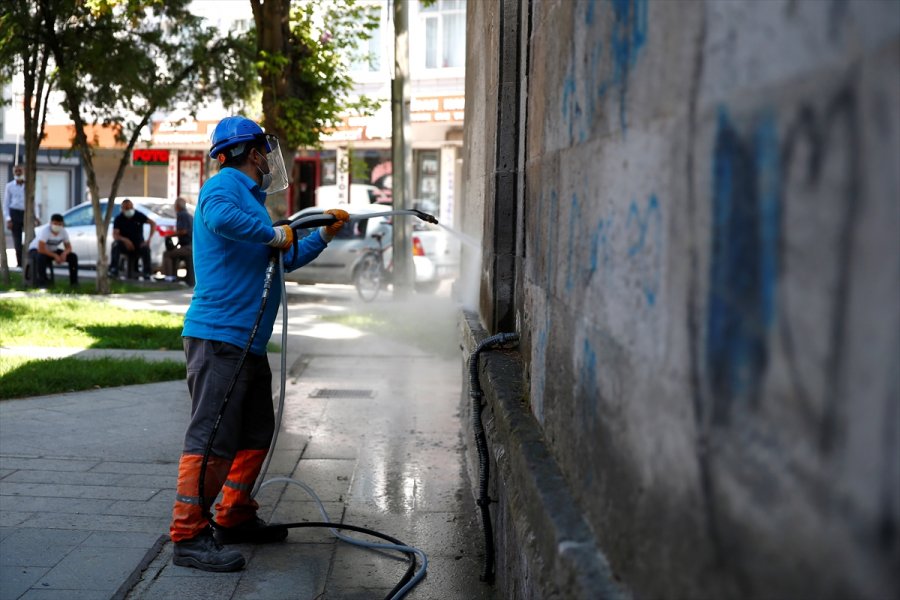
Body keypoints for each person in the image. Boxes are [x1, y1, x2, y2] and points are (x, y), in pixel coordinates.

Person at [169, 115, 349, 573]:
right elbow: (219, 218)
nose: (269, 159)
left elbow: (281, 259)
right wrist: (273, 233)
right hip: (219, 337)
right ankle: (189, 534)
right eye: (264, 151)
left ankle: (232, 515)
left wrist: (321, 235)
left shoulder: (252, 202)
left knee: (253, 436)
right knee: (212, 437)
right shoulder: (224, 186)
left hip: (247, 344)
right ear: (251, 152)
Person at [27, 213, 79, 287]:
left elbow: (68, 247)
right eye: (55, 223)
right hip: (36, 250)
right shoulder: (45, 231)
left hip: (51, 251)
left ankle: (74, 283)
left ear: (62, 224)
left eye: (59, 224)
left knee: (73, 257)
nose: (57, 226)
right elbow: (41, 249)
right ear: (51, 223)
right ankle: (42, 282)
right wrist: (55, 256)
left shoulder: (63, 232)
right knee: (41, 257)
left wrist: (64, 253)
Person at [4, 164, 40, 267]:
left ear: (23, 171)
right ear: (13, 172)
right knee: (17, 241)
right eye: (16, 171)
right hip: (14, 213)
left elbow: (34, 202)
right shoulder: (9, 186)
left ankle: (31, 262)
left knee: (30, 238)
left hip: (26, 213)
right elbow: (6, 204)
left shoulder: (28, 185)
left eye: (20, 171)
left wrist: (36, 216)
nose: (18, 173)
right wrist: (8, 219)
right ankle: (20, 264)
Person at [109, 198, 155, 279]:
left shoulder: (138, 215)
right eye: (126, 208)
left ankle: (147, 273)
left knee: (146, 249)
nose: (129, 210)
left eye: (130, 208)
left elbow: (152, 223)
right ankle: (113, 269)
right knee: (115, 245)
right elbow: (115, 235)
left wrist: (149, 239)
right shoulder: (119, 219)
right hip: (125, 245)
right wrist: (125, 240)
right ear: (122, 209)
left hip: (138, 244)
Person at [162, 197, 194, 285]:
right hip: (191, 246)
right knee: (174, 253)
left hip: (188, 247)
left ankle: (169, 277)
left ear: (177, 206)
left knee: (167, 254)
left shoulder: (181, 215)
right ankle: (174, 277)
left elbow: (183, 231)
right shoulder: (189, 215)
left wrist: (169, 235)